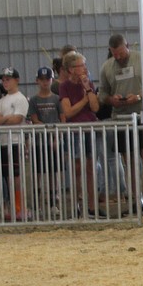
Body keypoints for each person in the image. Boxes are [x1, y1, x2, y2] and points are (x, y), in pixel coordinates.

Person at [99, 33, 143, 213]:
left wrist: (141, 95)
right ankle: (137, 201)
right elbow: (102, 93)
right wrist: (112, 99)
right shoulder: (107, 67)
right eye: (115, 54)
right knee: (130, 161)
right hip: (121, 117)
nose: (118, 57)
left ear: (127, 46)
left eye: (121, 53)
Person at [58, 51, 103, 218]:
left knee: (92, 167)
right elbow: (68, 112)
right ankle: (77, 204)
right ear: (71, 69)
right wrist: (84, 100)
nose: (84, 68)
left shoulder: (88, 83)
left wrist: (88, 90)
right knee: (77, 168)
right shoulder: (64, 86)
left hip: (89, 127)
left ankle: (92, 205)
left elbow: (95, 107)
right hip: (75, 130)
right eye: (81, 65)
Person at [0, 68, 30, 220]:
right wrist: (7, 119)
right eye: (4, 80)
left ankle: (19, 206)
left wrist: (3, 119)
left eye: (8, 79)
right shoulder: (2, 100)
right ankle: (13, 206)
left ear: (16, 80)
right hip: (3, 142)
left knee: (16, 176)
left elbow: (17, 120)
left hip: (15, 141)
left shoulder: (20, 99)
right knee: (7, 176)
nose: (5, 82)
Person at [27, 66, 64, 214]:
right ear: (37, 81)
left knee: (53, 173)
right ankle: (37, 204)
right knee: (38, 173)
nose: (44, 83)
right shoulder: (34, 100)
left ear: (51, 80)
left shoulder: (56, 99)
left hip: (52, 141)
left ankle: (53, 203)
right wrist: (49, 129)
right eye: (42, 80)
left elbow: (62, 119)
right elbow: (34, 119)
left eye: (47, 79)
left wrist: (56, 136)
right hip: (39, 142)